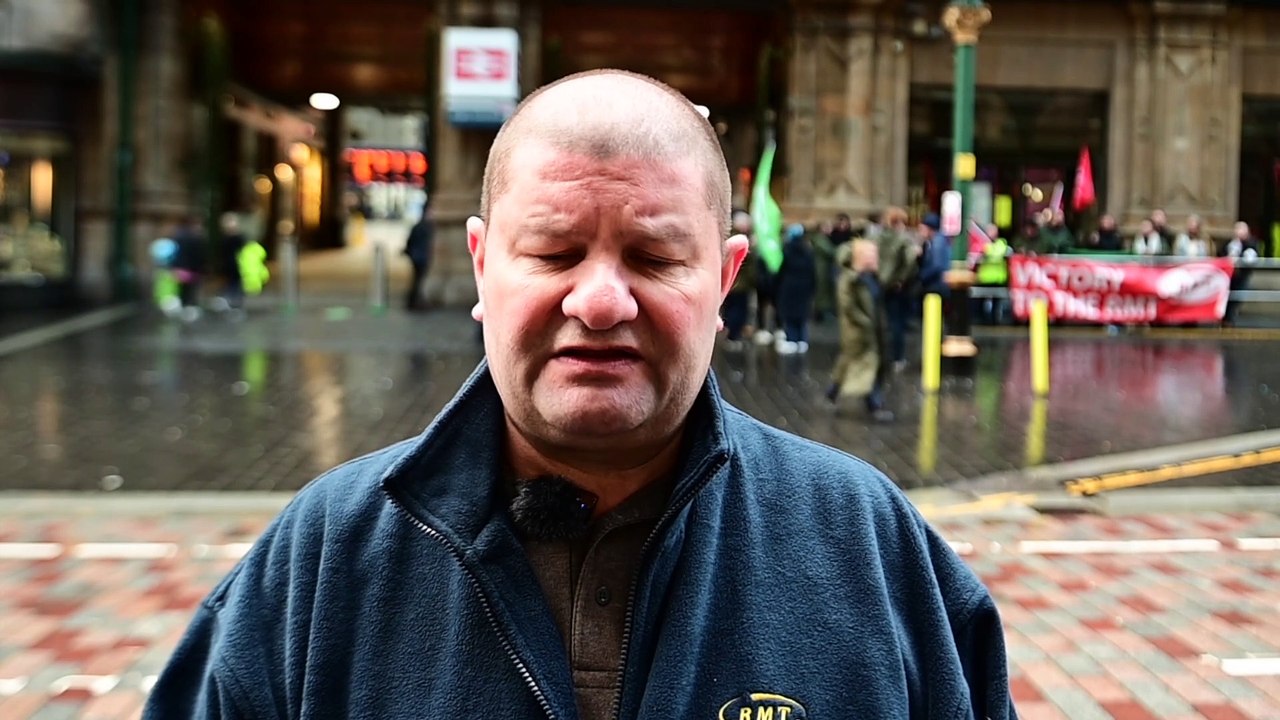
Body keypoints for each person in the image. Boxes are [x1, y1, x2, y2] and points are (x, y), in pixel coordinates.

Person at [145, 69, 1015, 720]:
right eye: (554, 253)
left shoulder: (869, 546)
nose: (599, 302)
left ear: (725, 280)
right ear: (483, 266)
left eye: (654, 257)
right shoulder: (322, 559)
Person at [828, 239, 895, 423]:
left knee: (849, 362)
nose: (875, 258)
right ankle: (875, 405)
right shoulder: (850, 279)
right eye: (871, 255)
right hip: (859, 332)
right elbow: (847, 305)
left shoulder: (871, 277)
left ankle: (832, 391)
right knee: (868, 366)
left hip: (873, 330)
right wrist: (864, 322)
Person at [876, 206, 917, 371]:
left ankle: (878, 356)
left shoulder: (876, 238)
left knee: (878, 321)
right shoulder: (903, 240)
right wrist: (901, 279)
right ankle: (897, 357)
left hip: (878, 284)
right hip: (896, 287)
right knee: (896, 323)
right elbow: (910, 260)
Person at [774, 223, 817, 354]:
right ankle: (802, 339)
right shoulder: (808, 251)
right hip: (804, 287)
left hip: (789, 287)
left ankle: (791, 339)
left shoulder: (786, 250)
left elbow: (781, 270)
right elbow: (813, 272)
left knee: (790, 314)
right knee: (802, 314)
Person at [720, 209, 755, 349]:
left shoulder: (727, 237)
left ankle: (730, 333)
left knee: (731, 309)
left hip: (732, 283)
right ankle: (733, 336)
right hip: (740, 284)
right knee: (738, 310)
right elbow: (748, 265)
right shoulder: (742, 241)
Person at [403, 204, 435, 310]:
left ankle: (413, 301)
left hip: (417, 256)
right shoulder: (426, 227)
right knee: (418, 280)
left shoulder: (420, 226)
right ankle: (414, 301)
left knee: (417, 280)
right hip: (420, 257)